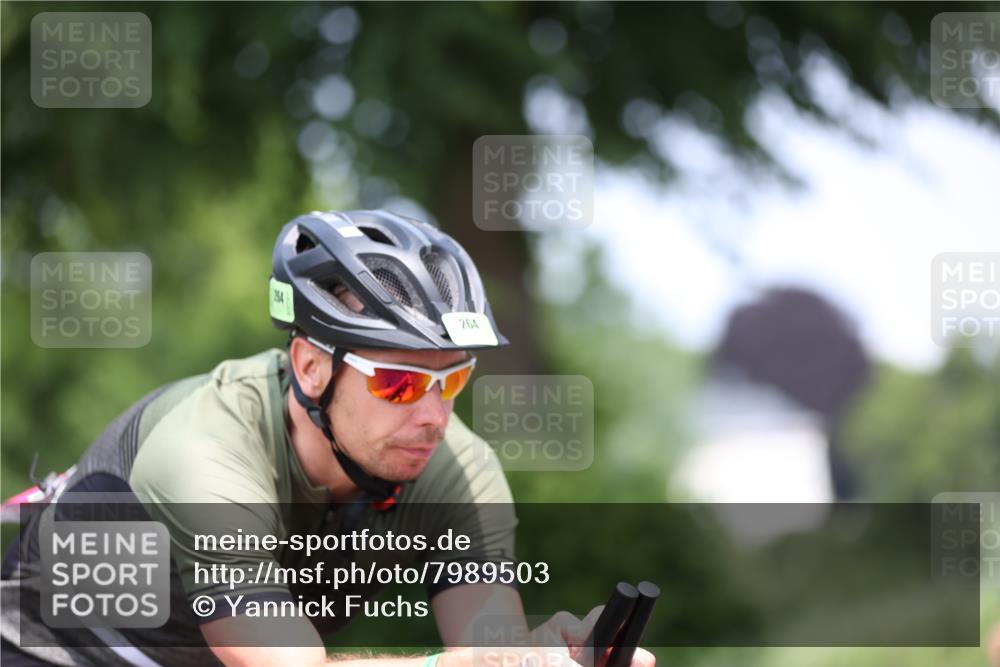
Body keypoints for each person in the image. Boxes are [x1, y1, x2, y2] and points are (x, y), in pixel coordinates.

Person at [1, 210, 656, 667]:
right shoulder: (205, 455)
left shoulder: (456, 464)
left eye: (452, 380)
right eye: (399, 382)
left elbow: (485, 647)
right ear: (312, 366)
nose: (433, 414)